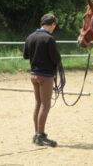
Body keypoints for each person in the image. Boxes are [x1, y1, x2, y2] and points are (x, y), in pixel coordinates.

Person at [23, 13, 61, 147]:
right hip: (46, 76)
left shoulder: (30, 37)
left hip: (33, 74)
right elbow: (56, 59)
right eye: (54, 26)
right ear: (52, 25)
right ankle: (40, 135)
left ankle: (37, 133)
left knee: (38, 103)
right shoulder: (49, 39)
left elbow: (26, 55)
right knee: (45, 105)